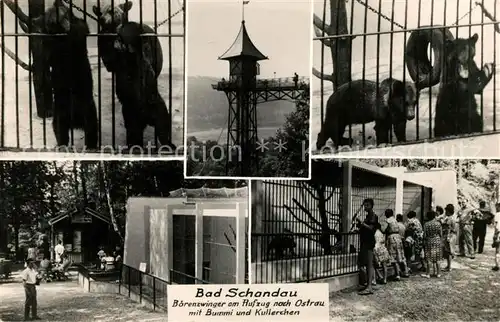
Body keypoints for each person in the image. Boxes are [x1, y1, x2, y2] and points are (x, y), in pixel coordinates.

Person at [355, 198, 378, 295]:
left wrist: (362, 223)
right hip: (365, 242)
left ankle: (369, 286)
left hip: (369, 242)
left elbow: (371, 228)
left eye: (367, 205)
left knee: (369, 264)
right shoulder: (368, 216)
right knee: (364, 263)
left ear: (371, 206)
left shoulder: (373, 216)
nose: (365, 207)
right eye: (364, 205)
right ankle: (368, 284)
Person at [384, 209, 409, 280]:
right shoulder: (395, 220)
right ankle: (405, 271)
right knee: (401, 255)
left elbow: (383, 229)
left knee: (394, 257)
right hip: (398, 237)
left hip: (391, 237)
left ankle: (397, 274)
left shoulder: (387, 220)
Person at [423, 211, 442, 278]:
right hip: (437, 241)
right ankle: (438, 273)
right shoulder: (438, 224)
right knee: (438, 257)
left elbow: (424, 235)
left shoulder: (426, 224)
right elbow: (440, 234)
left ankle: (428, 273)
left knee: (429, 257)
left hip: (429, 241)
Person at [442, 204, 458, 271]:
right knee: (450, 251)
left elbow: (448, 228)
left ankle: (449, 266)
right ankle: (449, 266)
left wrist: (447, 237)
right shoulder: (453, 218)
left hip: (449, 235)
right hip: (453, 235)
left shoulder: (449, 219)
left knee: (448, 252)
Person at [492, 203, 500, 271]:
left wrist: (495, 235)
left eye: (497, 207)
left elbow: (497, 226)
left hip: (499, 234)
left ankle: (497, 265)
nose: (496, 209)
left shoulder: (497, 215)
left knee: (497, 250)